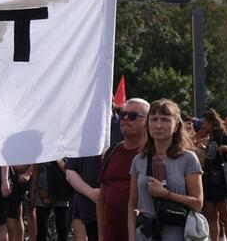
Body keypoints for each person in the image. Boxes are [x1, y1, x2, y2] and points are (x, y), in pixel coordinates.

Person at [127, 99, 204, 241]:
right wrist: (132, 237)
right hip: (146, 234)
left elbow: (198, 204)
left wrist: (166, 195)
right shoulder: (139, 160)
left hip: (178, 234)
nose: (158, 125)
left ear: (176, 126)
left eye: (165, 120)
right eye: (154, 119)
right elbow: (132, 204)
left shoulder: (188, 158)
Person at [98, 97, 148, 241]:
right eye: (123, 114)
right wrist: (101, 236)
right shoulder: (112, 151)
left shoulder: (152, 155)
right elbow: (102, 198)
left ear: (147, 122)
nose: (125, 118)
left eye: (132, 116)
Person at [199, 109, 227, 241]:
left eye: (205, 123)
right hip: (208, 180)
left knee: (225, 216)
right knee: (212, 216)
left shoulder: (223, 138)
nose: (203, 126)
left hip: (220, 182)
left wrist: (226, 148)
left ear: (212, 123)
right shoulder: (209, 138)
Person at [31, 161, 70, 241]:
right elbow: (35, 170)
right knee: (41, 229)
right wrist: (32, 192)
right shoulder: (38, 152)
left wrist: (58, 160)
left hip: (61, 191)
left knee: (62, 227)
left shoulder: (64, 150)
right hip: (43, 191)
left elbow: (69, 170)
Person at [66, 155, 101, 241]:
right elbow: (70, 171)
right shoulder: (81, 145)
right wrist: (90, 192)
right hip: (90, 209)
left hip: (120, 211)